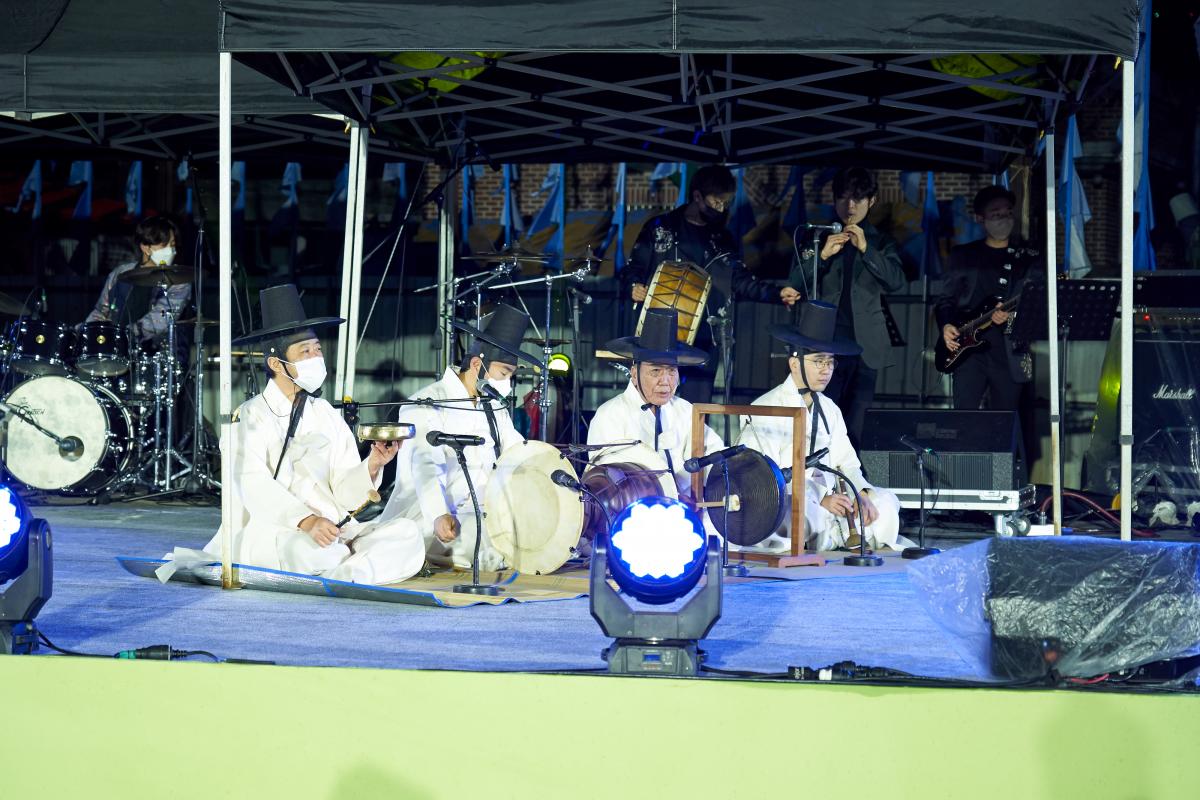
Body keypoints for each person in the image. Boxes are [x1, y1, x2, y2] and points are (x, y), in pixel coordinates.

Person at [200, 284, 425, 585]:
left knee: (408, 533)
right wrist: (306, 520)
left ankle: (348, 572)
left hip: (335, 529)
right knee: (318, 553)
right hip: (280, 531)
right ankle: (353, 568)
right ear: (276, 363)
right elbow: (251, 483)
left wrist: (373, 464)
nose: (316, 357)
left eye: (317, 349)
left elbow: (345, 493)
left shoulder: (325, 413)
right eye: (305, 352)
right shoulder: (249, 415)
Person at [737, 302, 910, 552]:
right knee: (799, 513)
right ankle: (834, 535)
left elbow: (848, 463)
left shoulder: (830, 408)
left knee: (885, 501)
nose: (826, 370)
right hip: (791, 499)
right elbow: (763, 477)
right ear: (794, 364)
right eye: (818, 361)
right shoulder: (765, 407)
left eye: (830, 363)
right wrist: (820, 498)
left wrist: (860, 493)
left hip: (835, 499)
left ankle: (836, 534)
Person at [627, 164, 801, 403]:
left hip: (705, 336)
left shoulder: (722, 239)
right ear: (697, 196)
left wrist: (777, 294)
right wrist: (634, 286)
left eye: (725, 203)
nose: (721, 209)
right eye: (716, 202)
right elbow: (633, 268)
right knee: (652, 402)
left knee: (697, 408)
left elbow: (741, 281)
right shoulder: (660, 228)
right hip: (658, 334)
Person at [379, 304, 531, 571]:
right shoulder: (425, 402)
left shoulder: (494, 407)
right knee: (485, 545)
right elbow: (425, 463)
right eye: (504, 373)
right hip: (436, 515)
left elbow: (519, 452)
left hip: (485, 509)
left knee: (531, 529)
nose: (507, 382)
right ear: (477, 364)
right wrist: (439, 513)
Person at [787, 167, 906, 447]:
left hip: (865, 346)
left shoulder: (881, 241)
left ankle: (851, 473)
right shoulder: (817, 237)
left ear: (872, 201)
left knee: (857, 423)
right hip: (824, 342)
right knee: (821, 418)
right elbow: (795, 282)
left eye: (858, 199)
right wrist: (822, 255)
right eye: (843, 198)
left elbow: (897, 281)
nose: (850, 206)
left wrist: (866, 249)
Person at [588, 308, 726, 504]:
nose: (665, 381)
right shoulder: (610, 415)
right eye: (655, 371)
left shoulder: (685, 410)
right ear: (634, 374)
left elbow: (714, 454)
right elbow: (605, 479)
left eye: (671, 371)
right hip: (631, 513)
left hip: (685, 511)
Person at [936, 185, 1042, 411]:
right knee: (964, 416)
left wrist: (1012, 315)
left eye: (1008, 213)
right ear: (980, 218)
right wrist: (946, 325)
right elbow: (946, 298)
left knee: (1004, 420)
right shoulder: (963, 255)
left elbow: (1037, 305)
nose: (1004, 219)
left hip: (1009, 352)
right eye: (996, 214)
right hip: (968, 353)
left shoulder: (1028, 258)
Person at [85, 216, 191, 345]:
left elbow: (161, 318)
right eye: (164, 245)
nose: (171, 250)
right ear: (145, 247)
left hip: (157, 350)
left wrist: (124, 335)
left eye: (172, 245)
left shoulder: (179, 280)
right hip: (117, 350)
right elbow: (101, 310)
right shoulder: (121, 273)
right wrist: (85, 331)